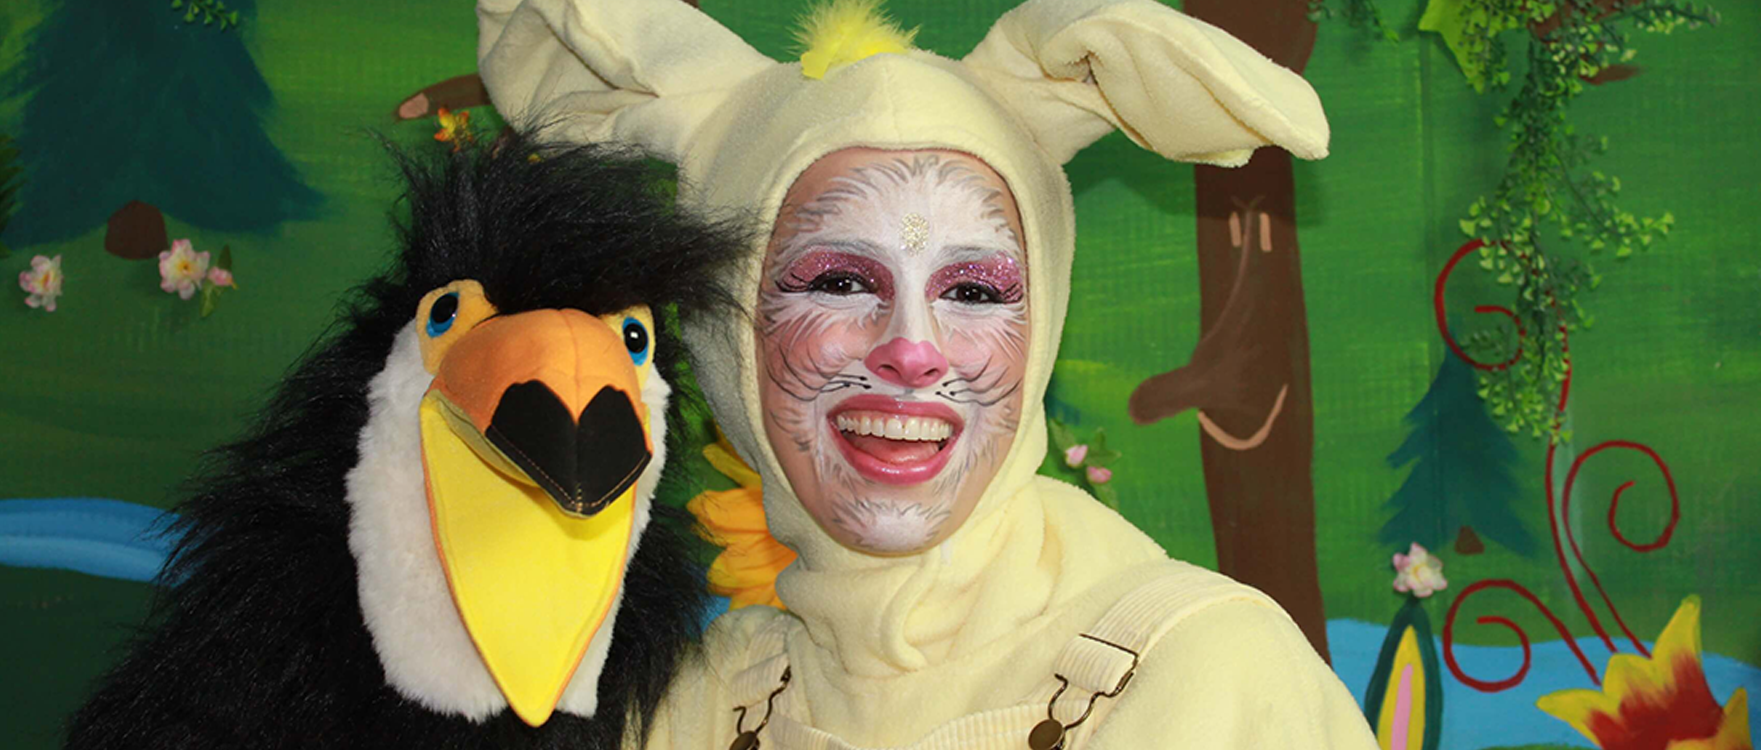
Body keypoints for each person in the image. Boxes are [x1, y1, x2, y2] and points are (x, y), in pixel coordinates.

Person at [479, 0, 1381, 746]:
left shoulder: (1210, 675)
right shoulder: (699, 703)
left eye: (975, 291)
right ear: (726, 334)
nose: (912, 350)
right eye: (838, 282)